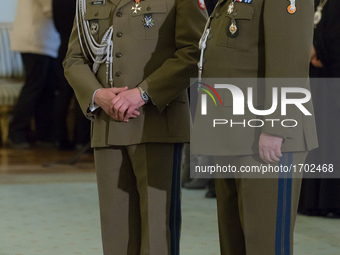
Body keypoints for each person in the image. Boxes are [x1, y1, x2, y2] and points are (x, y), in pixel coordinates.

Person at [63, 0, 207, 254]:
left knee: (157, 230)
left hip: (156, 122)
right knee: (115, 230)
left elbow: (194, 51)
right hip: (107, 124)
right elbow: (74, 59)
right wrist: (97, 94)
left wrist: (142, 93)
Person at [191, 0, 318, 254]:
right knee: (233, 240)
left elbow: (290, 57)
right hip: (231, 131)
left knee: (265, 242)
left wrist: (276, 127)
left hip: (266, 137)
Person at [299, 0, 340, 217]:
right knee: (313, 138)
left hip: (333, 76)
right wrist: (309, 48)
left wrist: (320, 52)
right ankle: (311, 201)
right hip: (314, 79)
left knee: (332, 139)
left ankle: (331, 203)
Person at [9, 0, 60, 148]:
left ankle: (43, 135)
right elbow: (51, 10)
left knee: (47, 90)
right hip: (35, 41)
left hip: (44, 42)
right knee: (34, 88)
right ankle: (16, 132)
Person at [52, 0, 90, 150]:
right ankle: (82, 140)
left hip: (63, 46)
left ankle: (59, 139)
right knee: (82, 93)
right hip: (81, 46)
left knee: (63, 95)